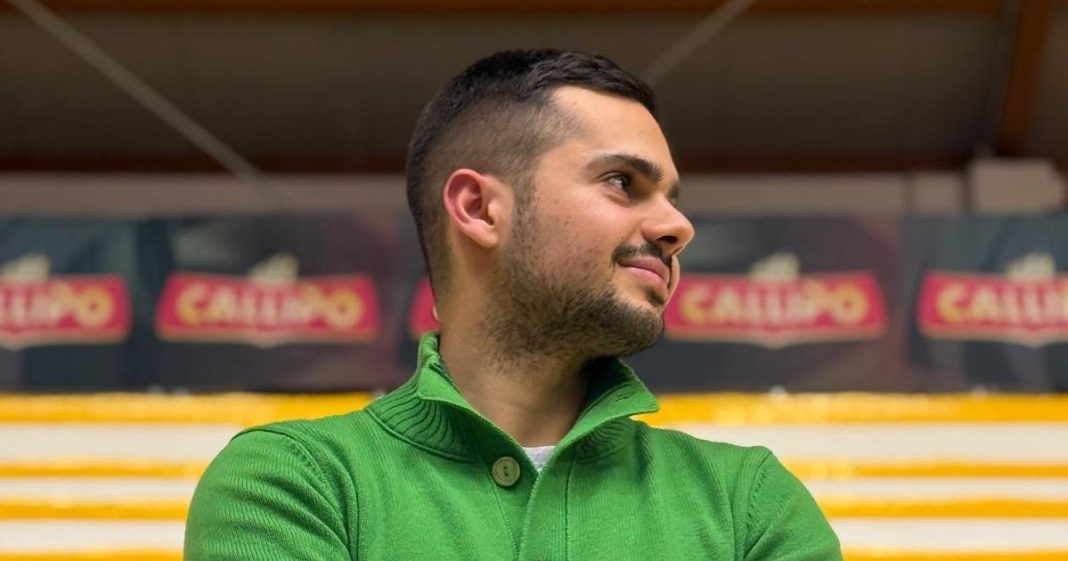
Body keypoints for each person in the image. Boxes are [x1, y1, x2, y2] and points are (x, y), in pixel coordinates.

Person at [184, 49, 842, 560]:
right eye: (622, 182)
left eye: (672, 197)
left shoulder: (749, 502)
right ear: (478, 208)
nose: (678, 226)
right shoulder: (292, 482)